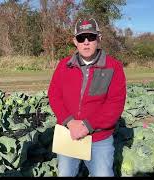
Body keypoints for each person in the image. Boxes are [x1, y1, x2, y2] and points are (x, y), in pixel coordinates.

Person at [48, 18, 126, 177]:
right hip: (68, 134)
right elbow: (54, 95)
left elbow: (115, 104)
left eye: (91, 37)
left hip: (99, 138)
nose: (86, 42)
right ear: (74, 41)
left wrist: (87, 125)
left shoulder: (113, 67)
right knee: (65, 174)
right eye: (81, 38)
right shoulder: (63, 66)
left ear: (99, 39)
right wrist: (69, 122)